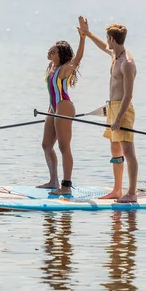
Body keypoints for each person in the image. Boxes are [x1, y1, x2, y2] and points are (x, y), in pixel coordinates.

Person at [79, 19, 139, 203]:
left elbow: (128, 95)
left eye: (108, 39)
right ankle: (117, 190)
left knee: (128, 151)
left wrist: (119, 118)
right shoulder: (115, 56)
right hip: (112, 108)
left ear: (113, 39)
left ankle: (132, 193)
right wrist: (87, 34)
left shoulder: (127, 63)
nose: (107, 42)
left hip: (123, 110)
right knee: (115, 149)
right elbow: (102, 46)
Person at [37, 16, 87, 196]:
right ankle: (53, 181)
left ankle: (66, 185)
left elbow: (78, 57)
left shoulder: (64, 68)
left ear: (60, 55)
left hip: (64, 107)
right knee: (46, 145)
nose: (50, 52)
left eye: (54, 51)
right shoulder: (51, 66)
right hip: (53, 108)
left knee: (64, 147)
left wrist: (83, 37)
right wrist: (51, 110)